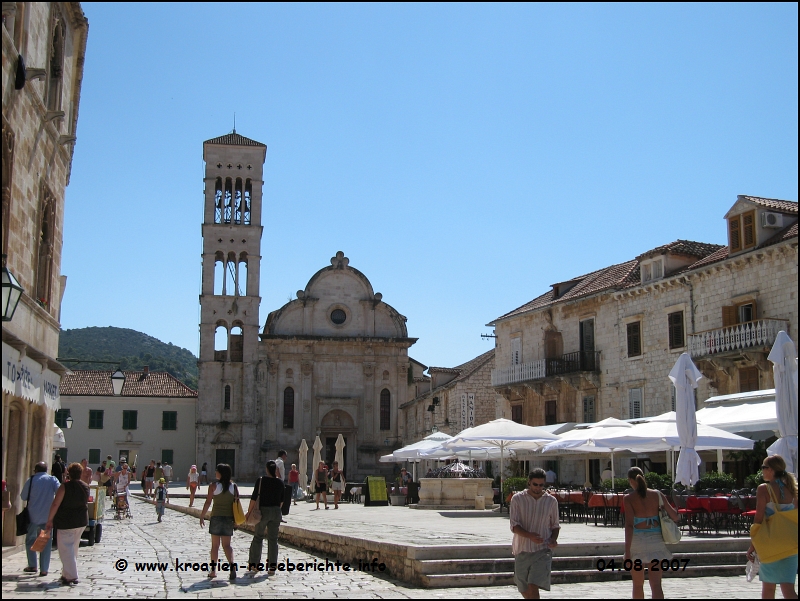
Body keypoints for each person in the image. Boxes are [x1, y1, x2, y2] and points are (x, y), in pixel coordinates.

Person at [623, 466, 680, 599]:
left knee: (637, 584)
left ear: (630, 480)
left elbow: (629, 525)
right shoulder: (657, 494)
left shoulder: (628, 498)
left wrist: (627, 551)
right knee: (656, 584)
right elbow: (675, 516)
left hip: (637, 543)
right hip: (656, 542)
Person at [746, 454, 798, 600]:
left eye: (764, 467)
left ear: (771, 470)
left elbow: (759, 519)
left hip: (771, 543)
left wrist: (753, 545)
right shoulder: (793, 489)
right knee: (789, 589)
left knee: (768, 589)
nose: (762, 470)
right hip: (791, 544)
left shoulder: (764, 489)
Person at [509, 468, 560, 599]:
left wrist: (554, 539)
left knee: (533, 584)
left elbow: (555, 525)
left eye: (541, 485)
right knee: (523, 587)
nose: (538, 487)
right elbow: (514, 526)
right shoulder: (517, 499)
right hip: (522, 549)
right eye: (535, 484)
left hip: (543, 549)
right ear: (529, 483)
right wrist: (529, 535)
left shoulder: (551, 501)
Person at [45, 463, 89, 586]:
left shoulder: (64, 487)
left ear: (69, 473)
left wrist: (49, 520)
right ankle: (66, 573)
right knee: (73, 548)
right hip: (81, 521)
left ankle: (72, 575)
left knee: (65, 549)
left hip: (66, 521)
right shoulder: (85, 486)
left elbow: (55, 504)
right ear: (80, 473)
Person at [199, 464, 239, 580]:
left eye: (217, 471)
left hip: (216, 517)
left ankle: (213, 571)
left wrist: (202, 516)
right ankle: (232, 565)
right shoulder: (234, 487)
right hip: (228, 518)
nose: (215, 472)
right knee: (227, 545)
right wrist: (236, 521)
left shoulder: (213, 486)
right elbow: (236, 504)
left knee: (215, 546)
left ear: (221, 473)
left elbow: (208, 502)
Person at [21, 462, 60, 577]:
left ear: (35, 470)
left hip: (32, 516)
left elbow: (23, 496)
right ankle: (44, 569)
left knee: (30, 540)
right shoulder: (53, 480)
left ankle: (32, 565)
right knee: (46, 542)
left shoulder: (31, 480)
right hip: (48, 517)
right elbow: (59, 493)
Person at [246, 460, 284, 576]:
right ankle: (272, 567)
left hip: (262, 512)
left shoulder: (261, 481)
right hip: (276, 512)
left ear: (267, 469)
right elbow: (282, 501)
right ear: (276, 470)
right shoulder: (280, 483)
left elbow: (254, 498)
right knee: (273, 540)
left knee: (258, 537)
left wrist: (248, 512)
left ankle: (255, 564)